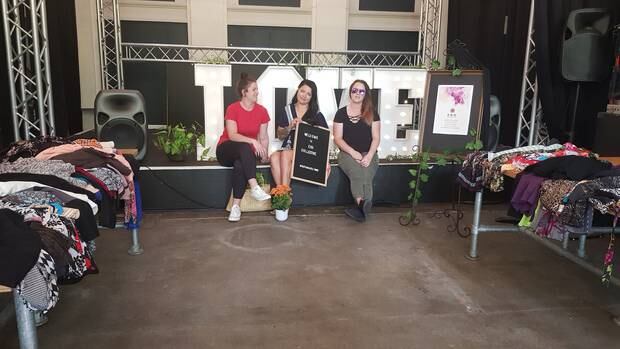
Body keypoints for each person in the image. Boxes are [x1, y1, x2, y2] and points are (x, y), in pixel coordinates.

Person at [216, 73, 272, 222]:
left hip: (243, 155)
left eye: (257, 89)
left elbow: (264, 137)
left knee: (240, 164)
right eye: (254, 89)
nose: (257, 92)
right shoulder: (233, 109)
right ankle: (254, 187)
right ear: (244, 92)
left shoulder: (262, 111)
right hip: (226, 149)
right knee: (245, 147)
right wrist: (253, 142)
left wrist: (264, 154)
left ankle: (235, 207)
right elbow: (233, 135)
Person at [333, 79, 381, 222]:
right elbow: (338, 138)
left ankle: (361, 208)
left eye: (361, 91)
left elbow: (376, 138)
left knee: (366, 173)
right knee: (357, 172)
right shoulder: (340, 113)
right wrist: (353, 152)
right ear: (350, 93)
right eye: (354, 90)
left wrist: (369, 155)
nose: (357, 93)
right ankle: (363, 204)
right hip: (346, 154)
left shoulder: (373, 113)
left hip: (369, 152)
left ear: (365, 94)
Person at [270, 79, 329, 186]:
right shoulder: (287, 110)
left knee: (285, 153)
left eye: (309, 94)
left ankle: (282, 195)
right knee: (274, 157)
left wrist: (305, 126)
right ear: (298, 90)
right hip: (288, 147)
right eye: (302, 91)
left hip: (307, 152)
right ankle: (283, 195)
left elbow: (324, 137)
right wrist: (289, 127)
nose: (304, 95)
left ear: (312, 97)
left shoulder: (316, 114)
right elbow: (280, 135)